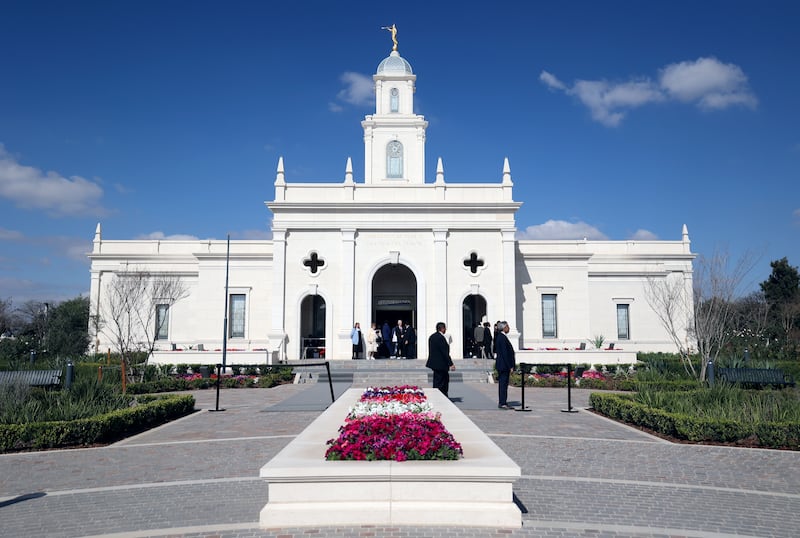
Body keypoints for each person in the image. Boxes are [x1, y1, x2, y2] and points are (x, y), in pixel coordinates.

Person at [426, 322, 455, 397]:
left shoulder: (432, 336)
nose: (445, 330)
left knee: (437, 380)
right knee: (443, 381)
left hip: (435, 363)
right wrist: (451, 364)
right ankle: (441, 396)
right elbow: (444, 352)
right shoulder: (440, 338)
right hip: (441, 364)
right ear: (442, 328)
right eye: (445, 328)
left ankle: (437, 395)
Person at [494, 320, 516, 409]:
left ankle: (503, 402)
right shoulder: (502, 338)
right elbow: (505, 353)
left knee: (504, 384)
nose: (509, 328)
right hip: (503, 366)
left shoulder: (501, 337)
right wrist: (510, 366)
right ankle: (502, 402)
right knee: (503, 384)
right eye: (508, 326)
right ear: (504, 327)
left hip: (502, 365)